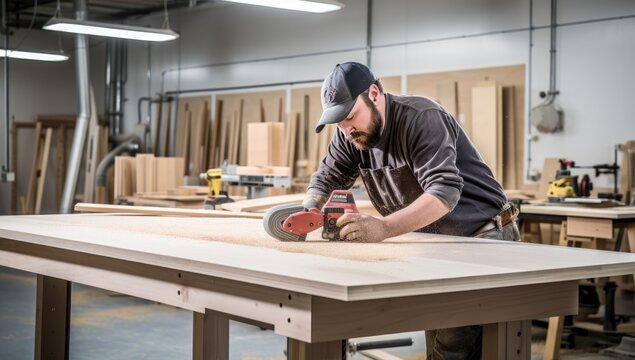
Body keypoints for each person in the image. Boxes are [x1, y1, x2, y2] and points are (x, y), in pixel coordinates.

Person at [303, 62, 520, 359]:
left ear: (375, 94)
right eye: (338, 122)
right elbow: (326, 179)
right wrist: (309, 209)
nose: (346, 128)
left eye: (350, 117)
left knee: (453, 348)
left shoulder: (423, 118)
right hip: (437, 241)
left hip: (483, 236)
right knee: (438, 336)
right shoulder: (349, 134)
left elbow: (444, 192)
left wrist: (383, 228)